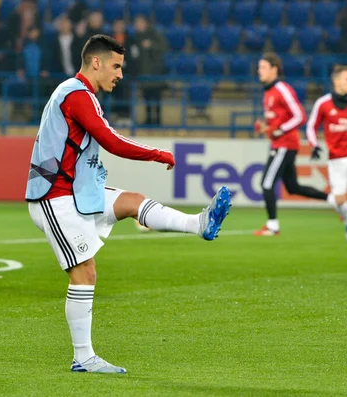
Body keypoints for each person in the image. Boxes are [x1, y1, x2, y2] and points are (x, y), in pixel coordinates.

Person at [25, 35, 232, 373]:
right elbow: (110, 139)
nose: (120, 74)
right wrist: (158, 153)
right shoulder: (77, 95)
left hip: (76, 191)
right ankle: (83, 357)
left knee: (131, 202)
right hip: (54, 196)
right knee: (84, 271)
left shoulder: (76, 93)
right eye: (117, 66)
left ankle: (200, 224)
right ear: (96, 62)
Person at [253, 52, 334, 236]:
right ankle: (333, 199)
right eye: (259, 67)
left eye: (263, 67)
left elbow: (300, 115)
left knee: (266, 184)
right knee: (293, 187)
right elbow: (278, 120)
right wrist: (265, 126)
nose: (259, 71)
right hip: (283, 144)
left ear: (274, 70)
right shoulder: (268, 91)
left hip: (284, 144)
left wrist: (279, 130)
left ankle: (273, 226)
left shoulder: (282, 88)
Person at [306, 65, 347, 246]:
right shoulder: (323, 103)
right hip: (335, 159)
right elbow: (311, 126)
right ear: (336, 81)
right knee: (339, 201)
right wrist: (314, 144)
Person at [127, 15, 168, 125]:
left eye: (140, 23)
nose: (138, 25)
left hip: (156, 73)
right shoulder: (135, 38)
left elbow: (164, 47)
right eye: (136, 23)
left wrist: (151, 45)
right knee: (147, 98)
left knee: (157, 98)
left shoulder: (154, 34)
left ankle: (158, 120)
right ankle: (149, 119)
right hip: (143, 73)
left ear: (145, 23)